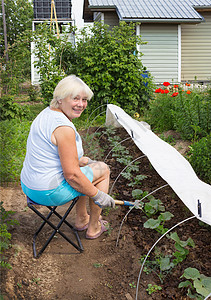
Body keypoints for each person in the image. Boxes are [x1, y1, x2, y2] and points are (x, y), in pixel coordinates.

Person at [21, 75, 115, 239]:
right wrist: (98, 195)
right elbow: (71, 175)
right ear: (60, 99)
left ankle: (82, 218)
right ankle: (93, 226)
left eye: (84, 99)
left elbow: (57, 157)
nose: (81, 104)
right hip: (48, 191)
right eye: (75, 98)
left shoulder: (46, 114)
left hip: (30, 186)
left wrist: (83, 161)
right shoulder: (63, 127)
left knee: (83, 168)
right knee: (103, 170)